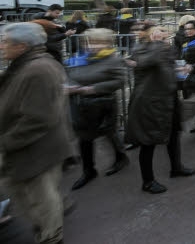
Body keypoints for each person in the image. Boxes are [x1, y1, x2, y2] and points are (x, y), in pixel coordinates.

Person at [0, 23, 73, 244]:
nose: (1, 46)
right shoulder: (24, 65)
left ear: (22, 46)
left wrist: (4, 143)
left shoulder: (38, 70)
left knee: (40, 199)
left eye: (4, 41)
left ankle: (51, 237)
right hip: (26, 148)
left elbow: (38, 119)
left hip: (36, 150)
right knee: (26, 194)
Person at [124, 24, 195, 194]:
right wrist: (159, 45)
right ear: (149, 34)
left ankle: (176, 167)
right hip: (150, 101)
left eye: (164, 31)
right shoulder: (141, 48)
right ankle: (147, 181)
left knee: (173, 135)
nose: (163, 34)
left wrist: (182, 69)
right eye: (159, 30)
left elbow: (166, 70)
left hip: (168, 99)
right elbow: (145, 62)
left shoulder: (165, 49)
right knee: (148, 142)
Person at [65, 28, 129, 190]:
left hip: (103, 104)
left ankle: (121, 158)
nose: (94, 46)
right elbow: (69, 75)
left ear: (108, 43)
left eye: (99, 42)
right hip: (81, 106)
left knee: (110, 133)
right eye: (91, 41)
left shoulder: (113, 59)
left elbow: (120, 81)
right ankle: (88, 170)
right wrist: (69, 86)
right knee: (84, 138)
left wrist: (92, 88)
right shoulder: (81, 58)